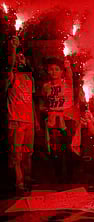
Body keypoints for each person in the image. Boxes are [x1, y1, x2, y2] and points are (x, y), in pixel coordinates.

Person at [5, 36, 39, 195]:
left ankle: (28, 180)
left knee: (28, 154)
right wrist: (14, 48)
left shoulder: (29, 78)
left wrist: (36, 120)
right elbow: (10, 66)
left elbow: (31, 101)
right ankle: (18, 185)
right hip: (16, 121)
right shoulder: (11, 77)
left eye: (22, 57)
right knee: (16, 155)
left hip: (28, 122)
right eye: (17, 57)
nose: (20, 59)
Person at [39, 56, 78, 186]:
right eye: (51, 69)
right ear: (48, 71)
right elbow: (42, 104)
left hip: (67, 120)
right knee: (55, 149)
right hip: (52, 120)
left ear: (61, 71)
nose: (54, 72)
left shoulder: (67, 83)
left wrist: (68, 67)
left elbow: (70, 76)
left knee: (68, 148)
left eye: (57, 69)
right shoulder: (46, 86)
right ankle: (59, 179)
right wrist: (47, 111)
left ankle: (70, 178)